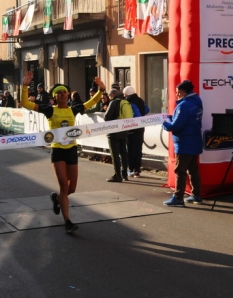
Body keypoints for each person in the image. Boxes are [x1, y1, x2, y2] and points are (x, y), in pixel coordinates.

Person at [20, 71, 105, 233]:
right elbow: (25, 103)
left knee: (71, 189)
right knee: (64, 188)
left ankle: (57, 198)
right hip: (58, 151)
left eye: (65, 92)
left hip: (72, 150)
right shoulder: (49, 110)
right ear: (54, 96)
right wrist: (25, 86)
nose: (63, 95)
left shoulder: (73, 109)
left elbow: (92, 102)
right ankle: (68, 222)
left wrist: (101, 90)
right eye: (59, 93)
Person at [162, 80, 204, 206]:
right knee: (193, 170)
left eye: (178, 92)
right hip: (194, 140)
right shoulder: (197, 101)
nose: (177, 95)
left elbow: (176, 126)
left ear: (183, 92)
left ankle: (178, 198)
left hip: (184, 142)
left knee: (180, 171)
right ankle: (196, 195)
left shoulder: (184, 105)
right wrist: (171, 117)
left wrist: (164, 122)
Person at [104, 89, 130, 182]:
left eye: (110, 96)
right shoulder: (125, 102)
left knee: (115, 154)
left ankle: (117, 175)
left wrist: (106, 110)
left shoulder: (114, 102)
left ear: (113, 95)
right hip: (124, 130)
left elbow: (106, 118)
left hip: (114, 131)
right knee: (123, 153)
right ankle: (124, 174)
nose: (110, 97)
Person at [124, 86, 149, 178]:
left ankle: (131, 170)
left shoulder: (130, 102)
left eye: (125, 95)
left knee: (131, 151)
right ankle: (137, 170)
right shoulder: (140, 100)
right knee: (138, 150)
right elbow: (147, 109)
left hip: (132, 129)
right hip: (141, 128)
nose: (124, 96)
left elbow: (136, 115)